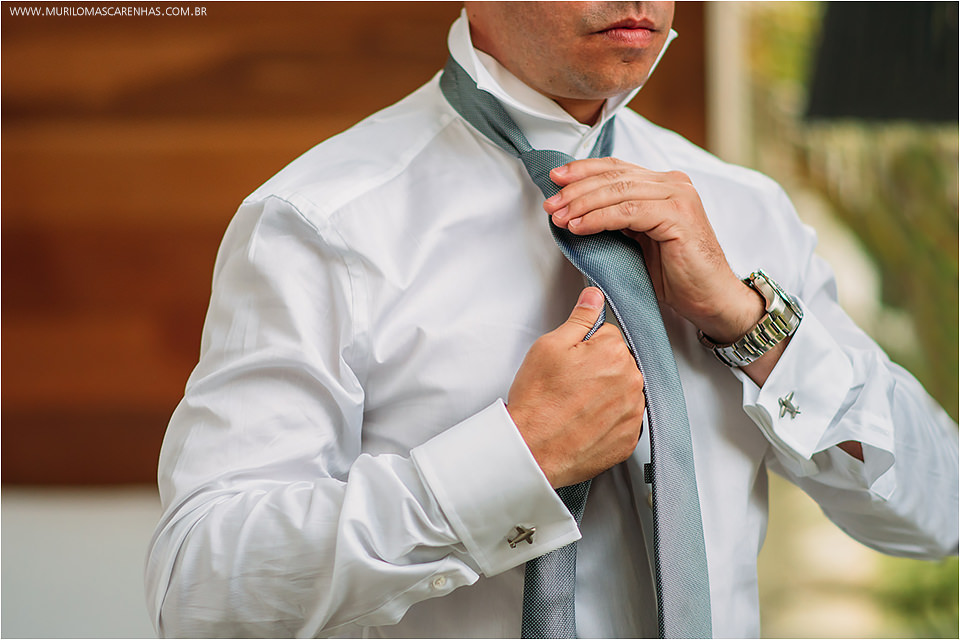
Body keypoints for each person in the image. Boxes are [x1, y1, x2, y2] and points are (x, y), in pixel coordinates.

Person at [145, 2, 959, 637]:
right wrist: (509, 461)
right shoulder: (321, 224)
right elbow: (202, 593)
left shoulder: (746, 212)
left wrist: (754, 330)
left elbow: (941, 510)